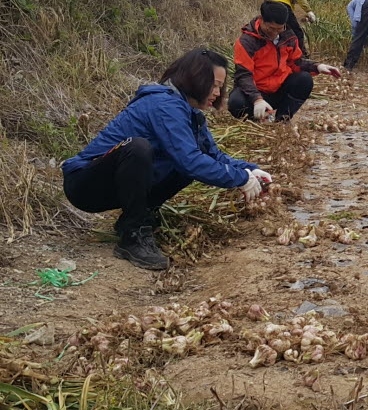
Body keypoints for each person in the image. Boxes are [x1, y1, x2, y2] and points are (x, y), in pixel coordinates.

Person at [62, 49, 271, 271]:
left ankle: (138, 216)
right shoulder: (164, 105)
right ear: (195, 79)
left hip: (116, 183)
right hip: (85, 184)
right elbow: (190, 160)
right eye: (215, 85)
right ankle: (133, 235)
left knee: (186, 162)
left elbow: (213, 156)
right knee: (138, 148)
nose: (218, 93)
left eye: (221, 86)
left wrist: (251, 171)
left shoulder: (190, 113)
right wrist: (239, 179)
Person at [229, 0, 342, 121]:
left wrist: (317, 66)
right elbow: (244, 75)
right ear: (261, 19)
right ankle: (256, 118)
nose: (275, 33)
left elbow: (296, 62)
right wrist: (257, 99)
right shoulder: (247, 42)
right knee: (236, 103)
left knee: (304, 79)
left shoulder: (288, 36)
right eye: (271, 28)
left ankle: (282, 119)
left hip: (278, 89)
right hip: (256, 91)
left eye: (279, 29)